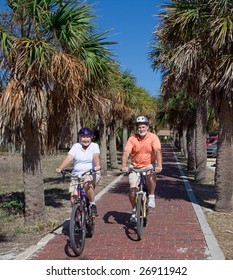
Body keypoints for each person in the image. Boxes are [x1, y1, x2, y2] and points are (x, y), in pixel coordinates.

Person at [121, 116, 162, 223]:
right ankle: (135, 209)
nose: (141, 129)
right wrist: (124, 166)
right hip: (135, 167)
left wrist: (159, 166)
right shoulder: (132, 138)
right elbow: (126, 153)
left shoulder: (153, 137)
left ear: (147, 127)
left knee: (150, 175)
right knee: (132, 190)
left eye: (143, 127)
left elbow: (157, 151)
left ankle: (152, 196)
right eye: (139, 127)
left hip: (149, 165)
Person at [55, 127, 101, 217]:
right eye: (83, 137)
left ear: (91, 137)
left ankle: (92, 205)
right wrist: (60, 167)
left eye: (88, 137)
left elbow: (96, 156)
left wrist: (97, 165)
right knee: (73, 199)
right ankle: (78, 221)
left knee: (87, 183)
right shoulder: (76, 146)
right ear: (80, 137)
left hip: (90, 173)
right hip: (76, 175)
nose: (85, 139)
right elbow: (69, 157)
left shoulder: (94, 146)